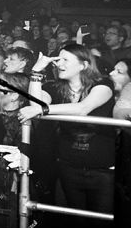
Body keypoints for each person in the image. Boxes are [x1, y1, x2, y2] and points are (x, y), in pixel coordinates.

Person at [20, 44, 116, 212]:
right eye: (58, 60)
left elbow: (83, 108)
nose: (59, 64)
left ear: (83, 65)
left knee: (102, 221)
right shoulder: (54, 87)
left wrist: (44, 109)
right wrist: (36, 72)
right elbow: (36, 106)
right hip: (69, 166)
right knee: (74, 220)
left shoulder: (103, 84)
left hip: (102, 169)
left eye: (65, 60)